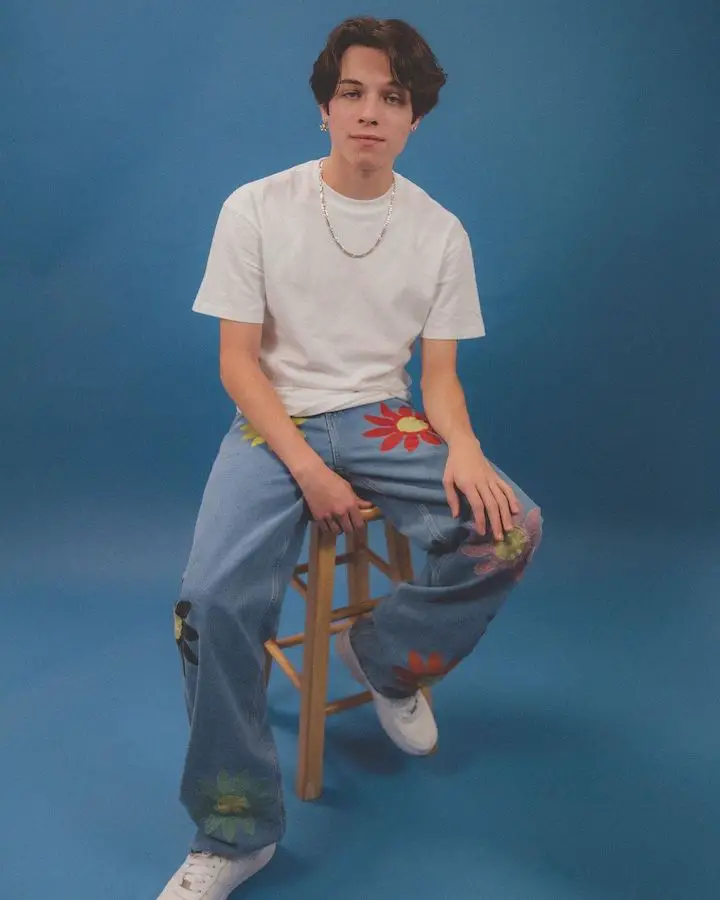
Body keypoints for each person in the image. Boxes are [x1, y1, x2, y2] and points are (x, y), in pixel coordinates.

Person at [159, 15, 543, 899]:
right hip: (275, 421)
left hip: (383, 416)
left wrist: (468, 449)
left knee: (511, 526)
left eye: (392, 97)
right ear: (325, 109)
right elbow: (237, 364)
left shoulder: (440, 232)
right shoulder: (255, 207)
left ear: (414, 121)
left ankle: (387, 660)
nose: (371, 111)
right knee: (209, 600)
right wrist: (307, 467)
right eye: (353, 92)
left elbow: (438, 378)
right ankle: (235, 829)